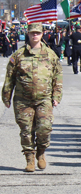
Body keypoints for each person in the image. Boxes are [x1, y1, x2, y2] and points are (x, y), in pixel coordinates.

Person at [2, 23, 63, 172]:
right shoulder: (18, 55)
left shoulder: (50, 55)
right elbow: (10, 77)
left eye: (37, 33)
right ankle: (29, 158)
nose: (35, 35)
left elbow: (57, 77)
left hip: (44, 99)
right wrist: (6, 96)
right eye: (32, 33)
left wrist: (57, 95)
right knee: (26, 131)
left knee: (45, 128)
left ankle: (41, 153)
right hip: (23, 100)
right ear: (28, 34)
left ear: (42, 34)